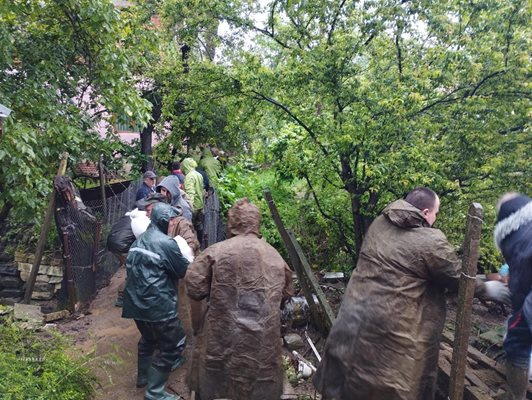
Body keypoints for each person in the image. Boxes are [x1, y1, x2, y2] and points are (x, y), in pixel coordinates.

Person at [313, 187, 511, 400]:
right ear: (425, 213)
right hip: (391, 337)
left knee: (346, 385)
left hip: (351, 325)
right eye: (436, 213)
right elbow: (456, 278)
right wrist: (487, 289)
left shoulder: (379, 224)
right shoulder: (431, 242)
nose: (436, 218)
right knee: (387, 385)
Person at [185, 198, 293, 400]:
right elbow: (286, 294)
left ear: (232, 223)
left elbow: (193, 285)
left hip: (221, 338)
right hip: (262, 343)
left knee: (213, 381)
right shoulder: (275, 256)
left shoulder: (216, 251)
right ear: (256, 223)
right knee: (259, 382)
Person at [122, 202, 190, 400]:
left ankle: (143, 377)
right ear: (163, 220)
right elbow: (182, 270)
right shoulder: (167, 243)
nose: (172, 224)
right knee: (173, 344)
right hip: (158, 305)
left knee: (149, 339)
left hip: (134, 304)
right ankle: (155, 392)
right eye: (171, 220)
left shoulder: (138, 241)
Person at [494, 193, 532, 400]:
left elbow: (520, 288)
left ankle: (514, 396)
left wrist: (488, 290)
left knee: (516, 339)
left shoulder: (515, 238)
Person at [181, 158, 205, 241]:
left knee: (189, 228)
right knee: (199, 225)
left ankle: (192, 246)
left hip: (193, 206)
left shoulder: (189, 176)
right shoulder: (199, 175)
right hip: (200, 205)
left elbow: (190, 193)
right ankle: (200, 244)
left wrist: (188, 207)